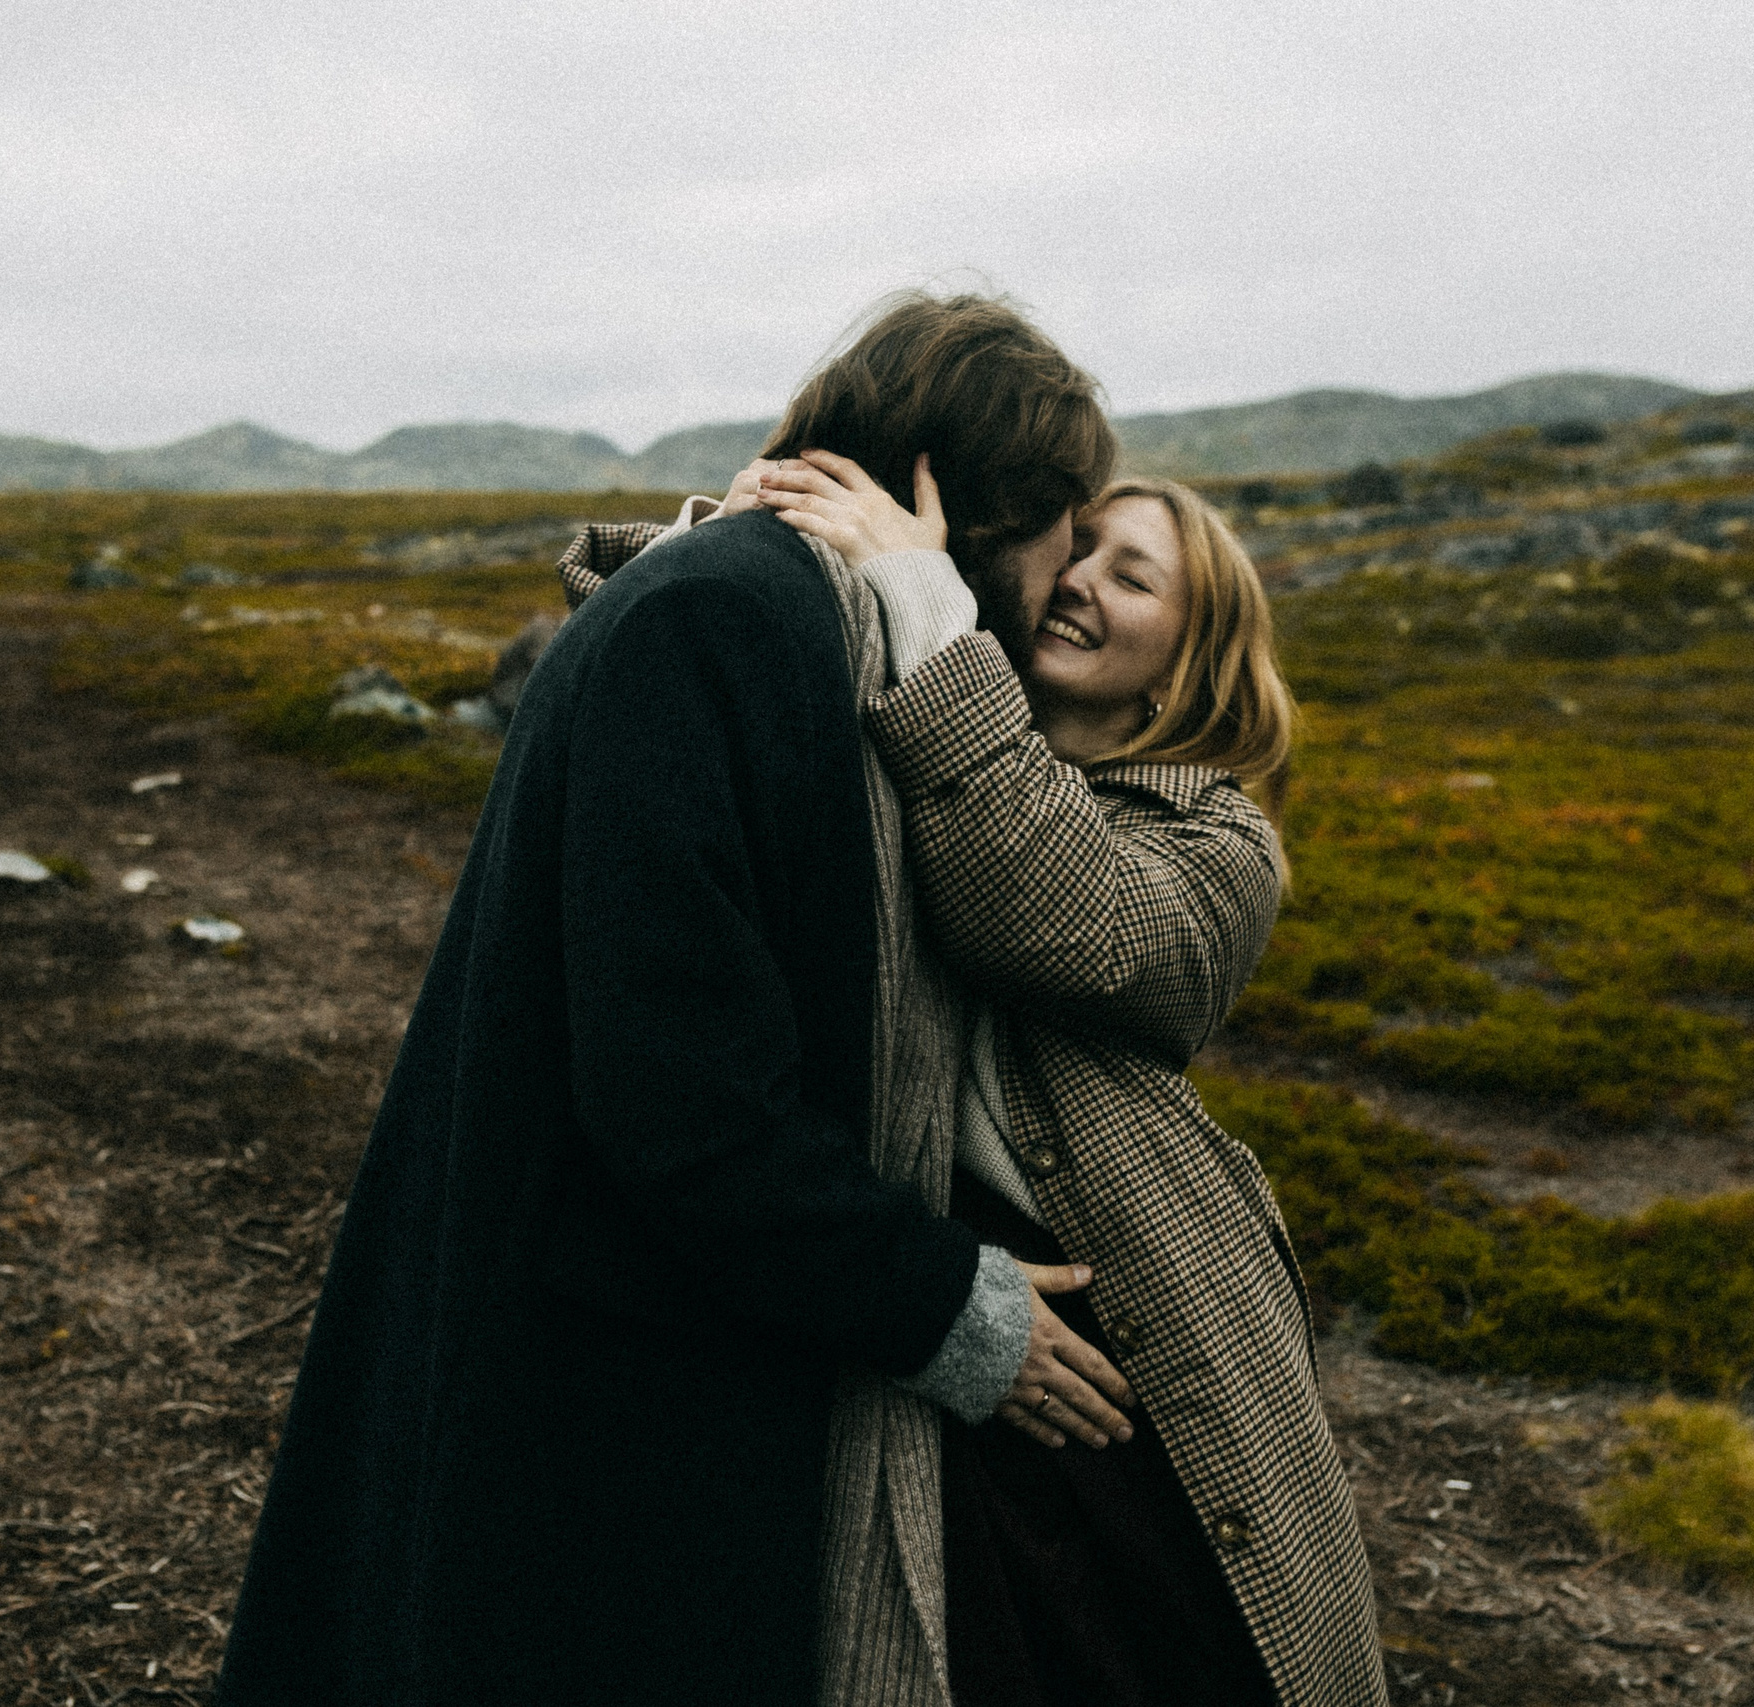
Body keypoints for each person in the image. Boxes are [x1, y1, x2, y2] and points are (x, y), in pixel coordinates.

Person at [213, 292, 1131, 1707]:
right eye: (1072, 518)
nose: (1075, 567)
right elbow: (679, 1097)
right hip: (600, 1389)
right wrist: (952, 1306)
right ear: (983, 489)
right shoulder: (723, 621)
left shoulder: (761, 609)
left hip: (626, 1348)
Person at [745, 454, 1388, 1705]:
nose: (1079, 582)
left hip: (1122, 1327)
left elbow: (1060, 921)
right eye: (1078, 548)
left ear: (1185, 668)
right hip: (929, 1304)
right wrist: (763, 529)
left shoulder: (1217, 840)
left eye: (1131, 575)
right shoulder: (922, 719)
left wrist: (925, 606)